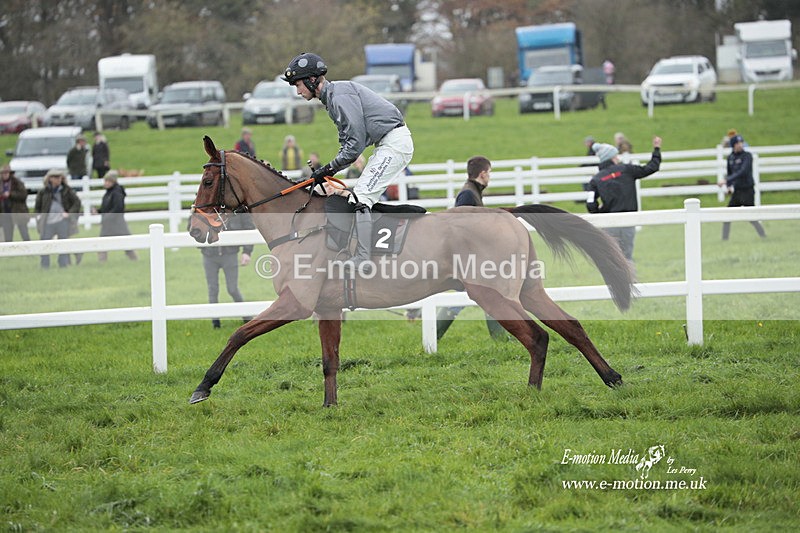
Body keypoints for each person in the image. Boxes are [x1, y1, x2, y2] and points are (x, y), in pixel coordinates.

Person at [282, 52, 413, 273]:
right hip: (387, 143)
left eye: (298, 85)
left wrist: (327, 169)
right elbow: (348, 144)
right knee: (359, 195)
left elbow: (354, 146)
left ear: (312, 80)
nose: (298, 91)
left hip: (394, 143)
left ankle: (363, 257)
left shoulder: (339, 96)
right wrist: (327, 170)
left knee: (361, 196)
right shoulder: (333, 97)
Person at [436, 156, 508, 341]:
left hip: (470, 258)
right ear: (483, 174)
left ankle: (432, 337)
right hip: (467, 259)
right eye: (489, 173)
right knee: (487, 294)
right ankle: (500, 338)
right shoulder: (468, 194)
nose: (490, 177)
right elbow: (459, 227)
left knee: (469, 299)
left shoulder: (473, 191)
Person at [586, 137, 663, 263]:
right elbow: (651, 167)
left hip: (609, 222)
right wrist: (656, 149)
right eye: (616, 156)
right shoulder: (627, 170)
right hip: (628, 220)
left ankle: (613, 282)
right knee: (627, 257)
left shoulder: (596, 180)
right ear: (612, 158)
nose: (618, 158)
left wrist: (599, 213)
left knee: (612, 258)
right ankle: (629, 281)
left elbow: (590, 204)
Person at [200, 213, 255, 329]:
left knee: (232, 289)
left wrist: (247, 251)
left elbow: (249, 227)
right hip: (209, 255)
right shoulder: (204, 206)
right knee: (212, 289)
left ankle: (247, 318)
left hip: (230, 254)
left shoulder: (235, 208)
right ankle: (216, 323)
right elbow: (193, 226)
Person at [718, 134, 766, 240]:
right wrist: (729, 186)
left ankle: (763, 236)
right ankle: (724, 240)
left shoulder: (747, 156)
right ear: (733, 145)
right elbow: (730, 173)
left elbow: (742, 172)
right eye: (737, 143)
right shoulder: (730, 158)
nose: (740, 145)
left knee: (751, 217)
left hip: (747, 191)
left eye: (741, 143)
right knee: (727, 215)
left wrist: (726, 181)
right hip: (737, 192)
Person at [34, 169, 81, 268]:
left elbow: (76, 203)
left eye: (60, 177)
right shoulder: (44, 191)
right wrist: (39, 217)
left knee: (63, 243)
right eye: (55, 177)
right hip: (48, 221)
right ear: (50, 179)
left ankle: (63, 264)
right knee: (44, 243)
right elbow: (38, 206)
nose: (58, 179)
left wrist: (69, 214)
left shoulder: (67, 190)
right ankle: (45, 265)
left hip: (62, 221)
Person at [97, 170, 137, 261]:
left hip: (116, 223)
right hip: (109, 223)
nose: (106, 183)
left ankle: (134, 259)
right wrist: (99, 211)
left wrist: (108, 217)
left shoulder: (117, 193)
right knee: (102, 244)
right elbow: (106, 207)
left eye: (108, 181)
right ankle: (102, 261)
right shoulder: (108, 193)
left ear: (113, 181)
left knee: (126, 244)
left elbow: (118, 208)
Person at [0, 164, 31, 242]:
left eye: (6, 173)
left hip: (18, 211)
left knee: (24, 234)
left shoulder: (17, 182)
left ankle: (29, 249)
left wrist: (10, 194)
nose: (5, 175)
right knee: (8, 236)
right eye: (3, 173)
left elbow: (23, 195)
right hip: (5, 213)